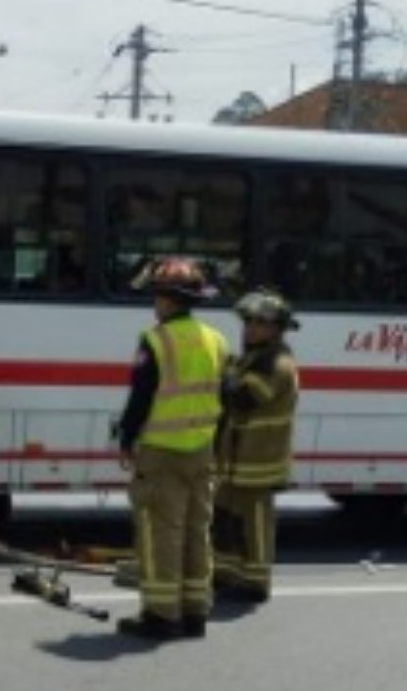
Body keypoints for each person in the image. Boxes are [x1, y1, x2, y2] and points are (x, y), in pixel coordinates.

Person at [113, 257, 228, 640]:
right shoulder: (216, 340)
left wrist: (127, 439)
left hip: (162, 451)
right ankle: (196, 612)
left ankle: (162, 615)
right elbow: (223, 398)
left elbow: (140, 398)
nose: (154, 303)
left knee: (161, 531)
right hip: (201, 450)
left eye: (157, 295)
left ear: (167, 299)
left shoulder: (156, 341)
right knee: (198, 530)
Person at [213, 289, 300, 604]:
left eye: (260, 322)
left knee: (255, 520)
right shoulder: (251, 358)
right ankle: (224, 573)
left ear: (277, 328)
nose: (251, 327)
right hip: (237, 460)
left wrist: (221, 378)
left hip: (259, 459)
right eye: (248, 321)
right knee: (224, 515)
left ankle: (256, 582)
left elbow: (243, 398)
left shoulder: (276, 363)